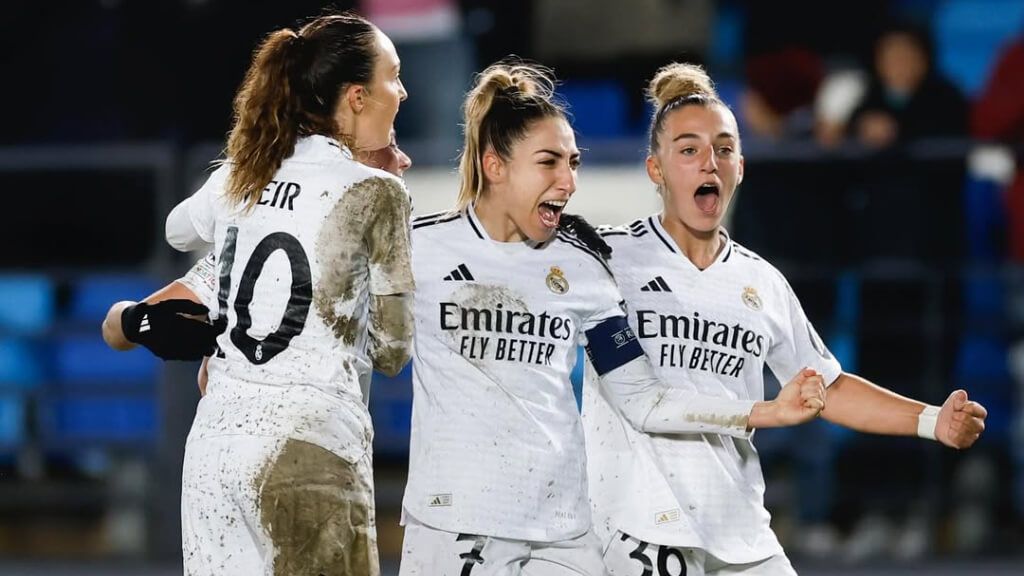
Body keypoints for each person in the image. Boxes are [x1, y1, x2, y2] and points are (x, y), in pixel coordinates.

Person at [397, 59, 827, 576]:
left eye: (573, 163)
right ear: (495, 166)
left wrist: (762, 413)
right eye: (550, 162)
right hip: (455, 521)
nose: (568, 180)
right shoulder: (419, 248)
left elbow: (643, 399)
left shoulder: (583, 268)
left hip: (562, 532)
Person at [584, 62, 989, 575]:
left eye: (724, 149)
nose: (710, 163)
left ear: (742, 167)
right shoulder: (605, 260)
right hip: (639, 533)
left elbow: (827, 387)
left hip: (741, 534)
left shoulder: (763, 283)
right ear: (655, 170)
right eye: (688, 150)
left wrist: (932, 421)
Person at [156, 12, 411, 575]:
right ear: (357, 98)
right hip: (310, 445)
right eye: (393, 77)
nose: (403, 91)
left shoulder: (242, 173)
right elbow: (393, 352)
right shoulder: (377, 189)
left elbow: (179, 229)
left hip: (215, 447)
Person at [102, 129, 413, 397]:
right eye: (391, 145)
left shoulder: (397, 244)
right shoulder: (254, 261)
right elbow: (114, 328)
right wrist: (141, 322)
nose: (404, 159)